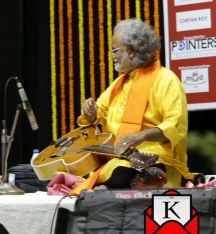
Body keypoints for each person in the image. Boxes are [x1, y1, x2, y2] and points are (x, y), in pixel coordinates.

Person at [77, 19, 194, 189]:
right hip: (119, 159)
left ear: (131, 51)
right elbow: (97, 114)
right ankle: (107, 184)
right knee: (95, 169)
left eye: (115, 50)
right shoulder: (119, 84)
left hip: (154, 159)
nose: (112, 56)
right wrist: (90, 113)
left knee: (124, 173)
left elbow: (175, 125)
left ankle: (108, 186)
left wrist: (141, 136)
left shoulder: (166, 79)